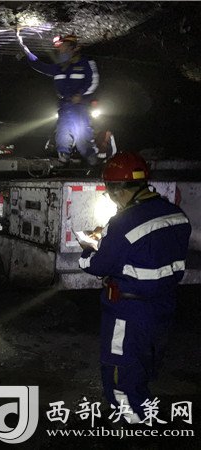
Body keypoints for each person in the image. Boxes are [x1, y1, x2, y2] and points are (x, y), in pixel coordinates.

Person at [77, 152, 191, 424]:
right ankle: (144, 412)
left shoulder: (123, 222)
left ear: (117, 190)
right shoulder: (176, 215)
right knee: (144, 363)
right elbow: (148, 253)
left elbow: (98, 265)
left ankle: (132, 425)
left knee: (121, 370)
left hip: (128, 311)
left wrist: (88, 248)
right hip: (163, 305)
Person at [18, 33, 100, 165]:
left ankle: (91, 156)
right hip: (65, 105)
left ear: (73, 48)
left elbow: (93, 81)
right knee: (62, 131)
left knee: (82, 132)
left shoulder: (86, 63)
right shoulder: (59, 67)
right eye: (61, 48)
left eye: (64, 47)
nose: (61, 50)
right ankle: (63, 155)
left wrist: (80, 94)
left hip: (80, 106)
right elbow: (40, 65)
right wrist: (26, 52)